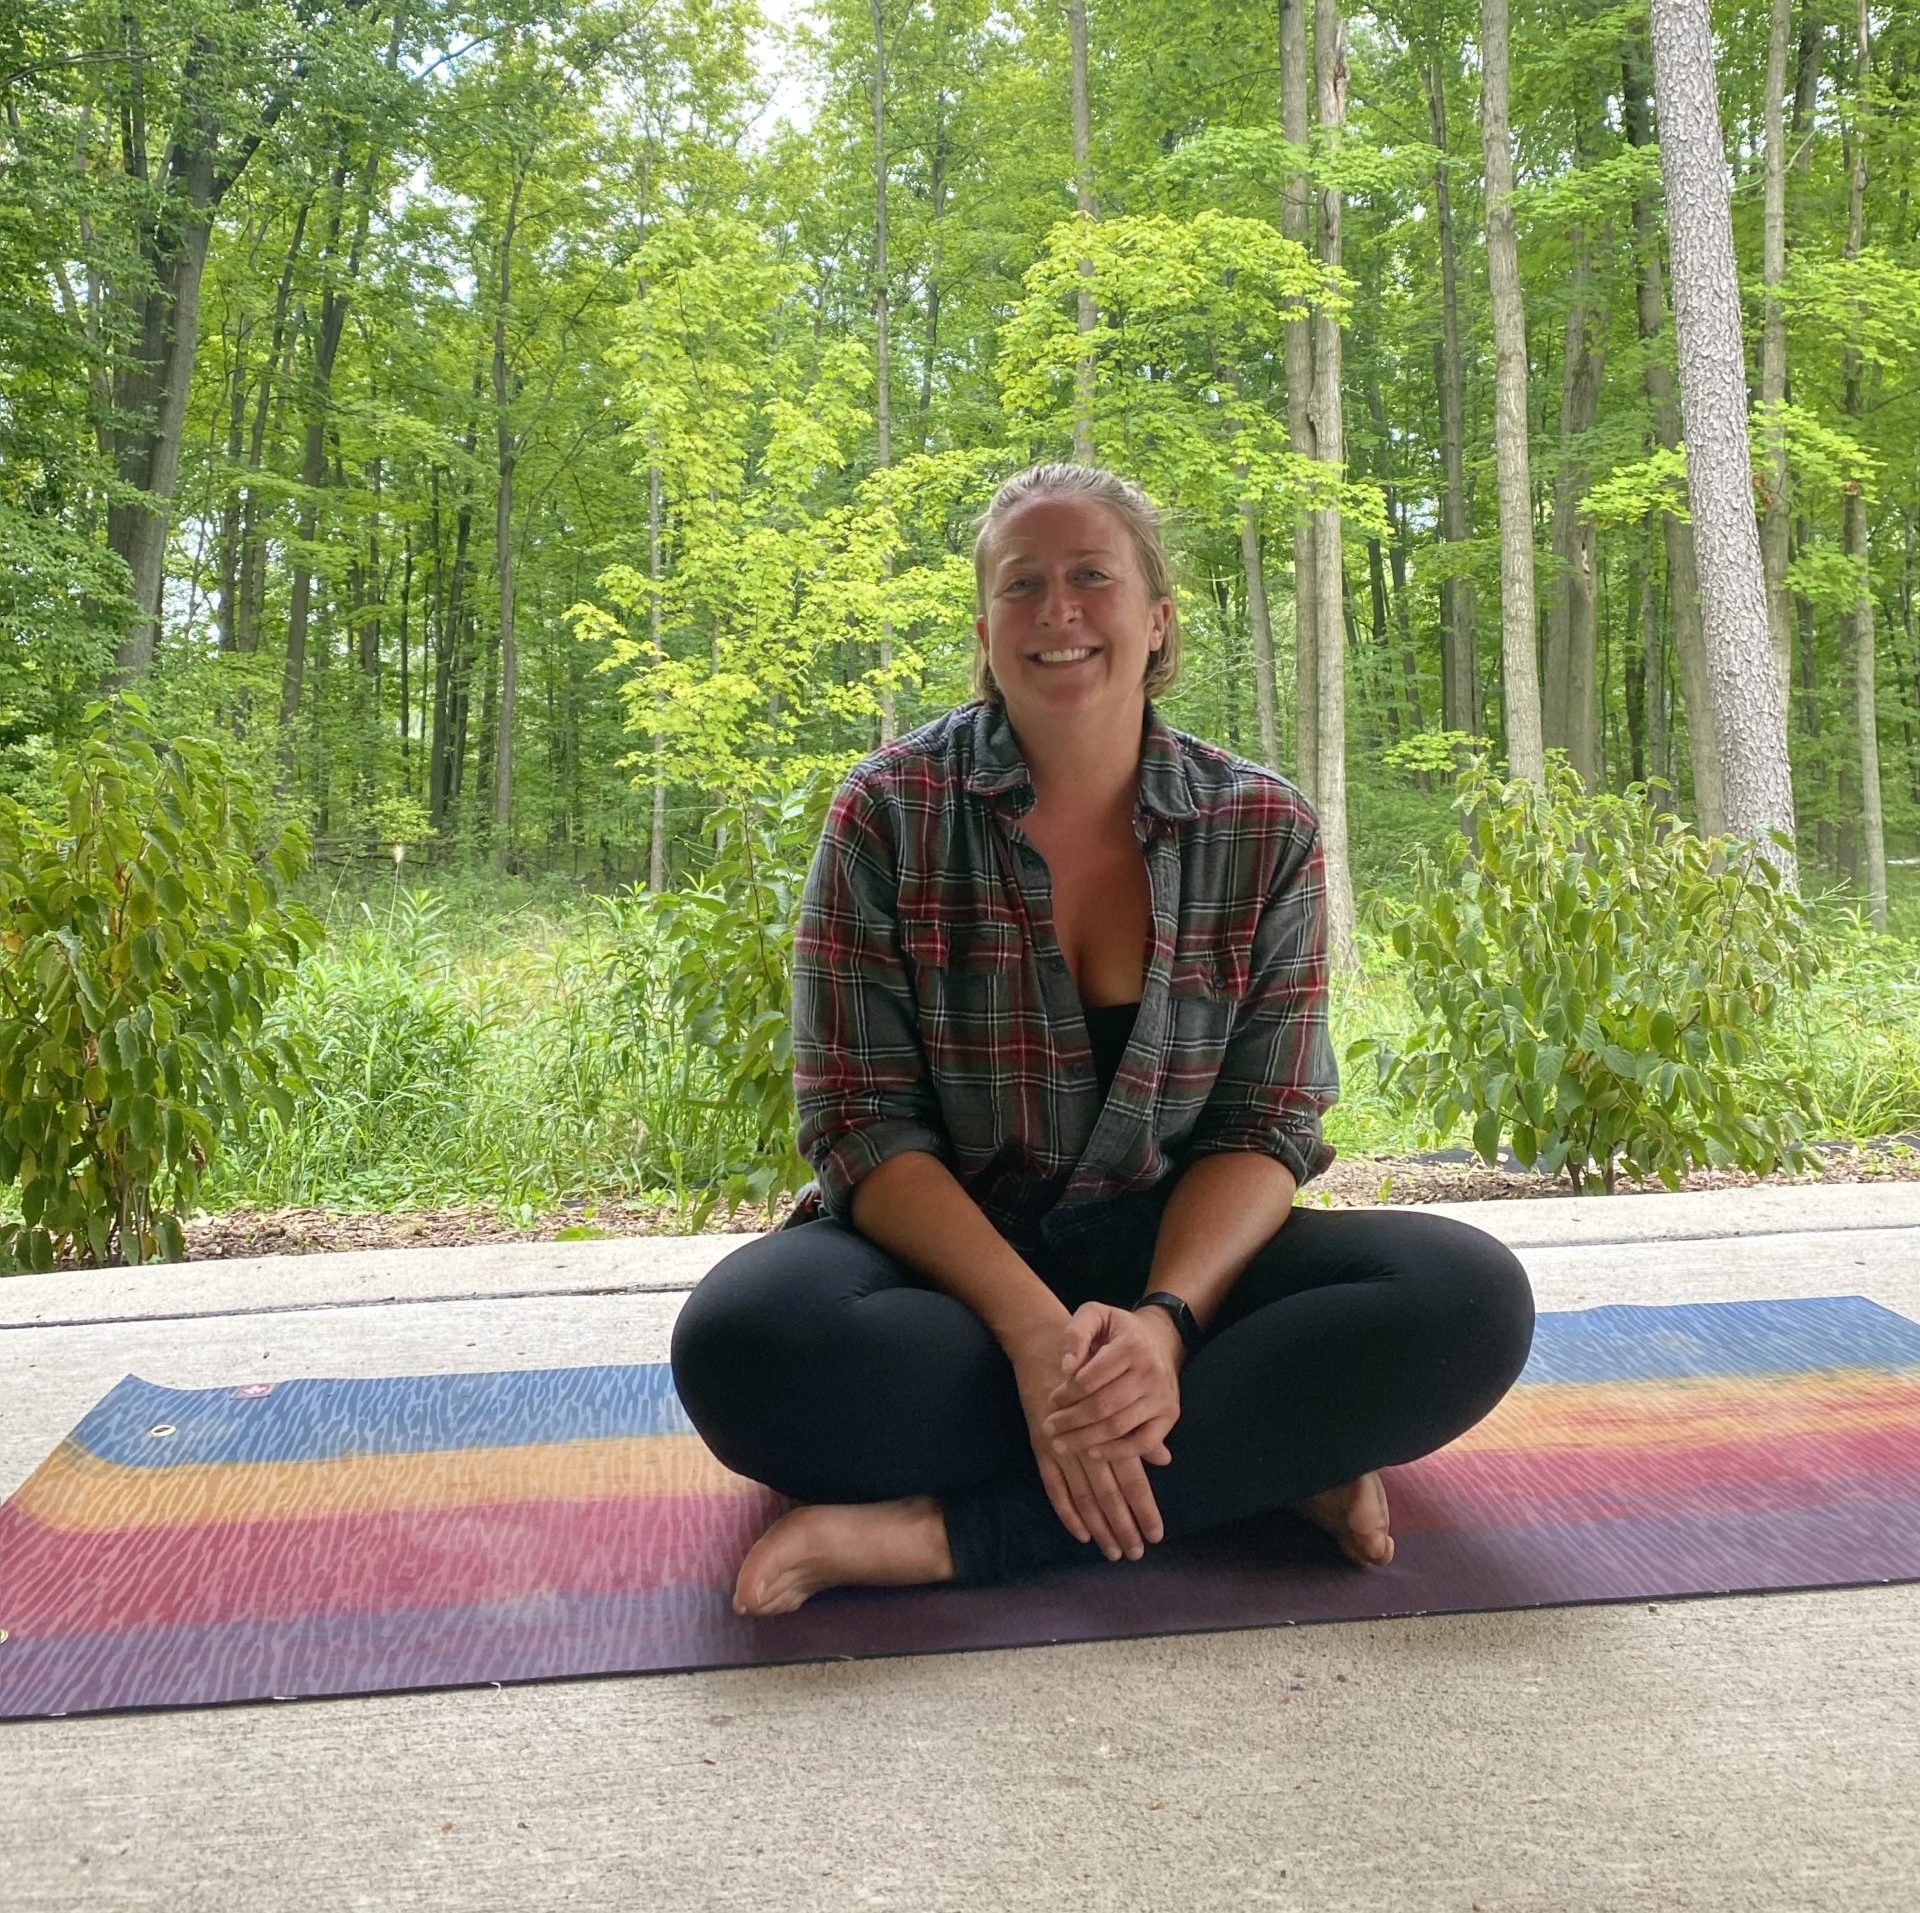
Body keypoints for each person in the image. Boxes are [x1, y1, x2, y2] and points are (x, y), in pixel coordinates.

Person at [670, 462, 1536, 1618]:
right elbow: (860, 1125)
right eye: (1023, 585)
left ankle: (958, 1533)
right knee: (748, 1346)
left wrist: (1168, 1325)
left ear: (1157, 617)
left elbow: (1265, 1123)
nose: (1059, 611)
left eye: (1092, 577)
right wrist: (1037, 1336)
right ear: (985, 628)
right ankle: (1257, 1465)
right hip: (952, 1274)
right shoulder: (887, 809)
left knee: (1463, 1298)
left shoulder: (1262, 825)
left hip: (1173, 1262)